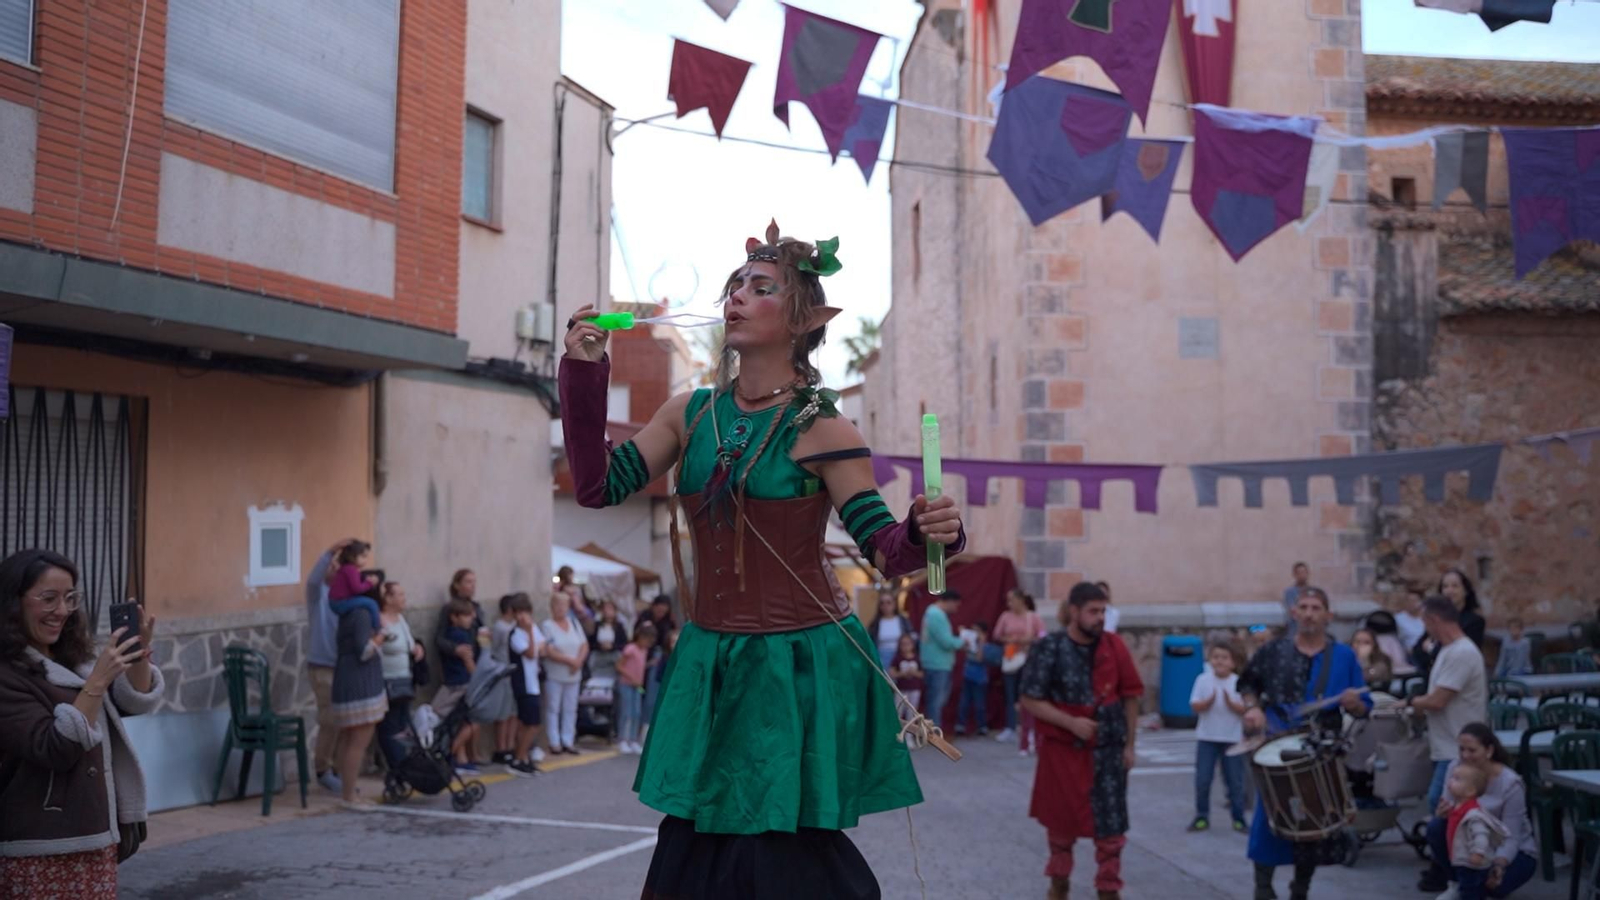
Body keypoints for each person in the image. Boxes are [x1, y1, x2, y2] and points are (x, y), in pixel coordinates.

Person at [559, 220, 966, 897]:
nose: (737, 297)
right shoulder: (689, 413)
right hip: (711, 658)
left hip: (796, 664)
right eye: (735, 286)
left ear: (806, 318)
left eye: (760, 287)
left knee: (778, 849)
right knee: (695, 843)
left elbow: (884, 549)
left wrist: (935, 531)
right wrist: (583, 372)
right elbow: (599, 486)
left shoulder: (824, 427)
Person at [0, 549, 162, 893]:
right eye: (48, 598)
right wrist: (98, 682)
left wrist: (138, 657)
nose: (61, 611)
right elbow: (55, 747)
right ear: (13, 602)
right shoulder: (7, 674)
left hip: (95, 839)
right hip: (39, 849)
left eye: (70, 598)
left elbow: (131, 701)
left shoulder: (74, 659)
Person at [1239, 586, 1371, 900]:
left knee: (1312, 823)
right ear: (1294, 613)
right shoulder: (1273, 651)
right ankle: (1262, 888)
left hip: (1319, 750)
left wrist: (1354, 704)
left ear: (1328, 615)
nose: (1309, 614)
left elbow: (1365, 706)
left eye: (1316, 608)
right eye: (1304, 607)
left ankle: (1301, 889)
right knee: (1268, 818)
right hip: (1276, 745)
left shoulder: (1343, 656)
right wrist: (1253, 707)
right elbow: (1248, 683)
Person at [1019, 581, 1143, 900]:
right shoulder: (1050, 647)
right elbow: (1030, 698)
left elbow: (1131, 696)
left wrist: (1130, 745)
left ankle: (1108, 889)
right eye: (1093, 611)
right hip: (1063, 753)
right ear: (1074, 611)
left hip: (1108, 753)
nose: (1100, 617)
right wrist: (1070, 722)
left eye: (1103, 611)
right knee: (1061, 828)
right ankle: (1059, 886)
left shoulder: (1114, 646)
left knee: (1111, 829)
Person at [1420, 724, 1540, 897]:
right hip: (1469, 842)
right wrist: (1443, 812)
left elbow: (1512, 836)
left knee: (1491, 883)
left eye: (1472, 750)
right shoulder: (1455, 768)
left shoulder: (1510, 783)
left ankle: (1472, 887)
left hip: (1508, 847)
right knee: (1436, 826)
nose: (1465, 756)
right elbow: (1449, 809)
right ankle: (1456, 883)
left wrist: (1499, 863)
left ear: (1489, 751)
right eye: (1461, 749)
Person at [1408, 596, 1490, 813]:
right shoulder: (1447, 650)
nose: (1425, 630)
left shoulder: (1462, 652)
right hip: (1444, 745)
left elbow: (1438, 700)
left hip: (1457, 748)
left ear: (1434, 620)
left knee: (1441, 804)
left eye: (1425, 623)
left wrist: (1412, 702)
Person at [331, 568, 389, 806]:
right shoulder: (362, 613)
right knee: (358, 740)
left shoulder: (351, 612)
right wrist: (380, 638)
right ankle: (349, 795)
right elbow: (364, 651)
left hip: (350, 678)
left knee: (349, 739)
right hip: (359, 682)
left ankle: (347, 789)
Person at [305, 539, 352, 793]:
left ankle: (339, 769)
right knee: (330, 718)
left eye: (338, 566)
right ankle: (323, 769)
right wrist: (330, 551)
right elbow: (313, 579)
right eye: (332, 566)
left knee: (346, 720)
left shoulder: (346, 597)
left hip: (342, 666)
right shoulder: (318, 595)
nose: (335, 569)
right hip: (322, 666)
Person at [1190, 641, 1248, 834]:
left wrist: (1232, 705)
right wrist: (1207, 703)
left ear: (1233, 662)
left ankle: (1238, 818)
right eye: (1216, 657)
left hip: (1232, 738)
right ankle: (1201, 816)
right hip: (1207, 737)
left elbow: (1246, 709)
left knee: (1235, 782)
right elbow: (1195, 706)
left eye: (1224, 658)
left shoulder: (1238, 681)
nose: (1220, 661)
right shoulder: (1202, 680)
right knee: (1203, 779)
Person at [1441, 763, 1509, 900]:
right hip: (1462, 859)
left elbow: (1481, 835)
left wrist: (1478, 852)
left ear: (1470, 791)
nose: (1450, 781)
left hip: (1470, 862)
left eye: (1457, 779)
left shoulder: (1474, 815)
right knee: (1468, 888)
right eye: (1452, 777)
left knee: (1470, 891)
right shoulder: (1457, 808)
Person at [375, 581, 424, 767]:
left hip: (404, 678)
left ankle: (405, 763)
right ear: (387, 598)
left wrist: (417, 649)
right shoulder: (380, 619)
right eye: (400, 594)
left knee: (404, 723)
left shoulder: (401, 619)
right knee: (390, 725)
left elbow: (409, 644)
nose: (404, 599)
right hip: (388, 680)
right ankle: (396, 765)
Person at [433, 597, 482, 772]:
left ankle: (459, 757)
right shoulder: (462, 636)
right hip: (461, 684)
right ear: (454, 617)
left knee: (457, 721)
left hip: (453, 680)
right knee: (473, 720)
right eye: (466, 616)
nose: (471, 619)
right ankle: (452, 751)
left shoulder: (449, 635)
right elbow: (468, 661)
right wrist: (478, 679)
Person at [540, 590, 589, 755]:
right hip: (556, 673)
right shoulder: (547, 626)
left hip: (574, 674)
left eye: (564, 605)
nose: (560, 608)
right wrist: (570, 661)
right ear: (552, 607)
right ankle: (554, 742)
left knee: (570, 708)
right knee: (553, 707)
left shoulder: (574, 623)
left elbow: (584, 644)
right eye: (557, 605)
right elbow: (549, 650)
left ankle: (568, 740)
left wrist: (579, 661)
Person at [995, 588, 1045, 745]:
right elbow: (997, 635)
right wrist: (1009, 639)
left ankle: (1028, 728)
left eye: (1012, 600)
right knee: (1010, 694)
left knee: (1027, 694)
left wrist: (1030, 640)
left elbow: (1043, 635)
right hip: (1011, 657)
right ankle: (1010, 727)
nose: (1010, 604)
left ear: (1021, 601)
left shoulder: (1033, 617)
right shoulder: (1005, 616)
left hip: (1028, 659)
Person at [506, 593, 546, 777]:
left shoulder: (534, 629)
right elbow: (531, 653)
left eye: (525, 612)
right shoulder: (516, 635)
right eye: (518, 613)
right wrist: (530, 632)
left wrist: (533, 634)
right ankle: (519, 757)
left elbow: (542, 647)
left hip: (534, 682)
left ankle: (523, 758)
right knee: (532, 723)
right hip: (523, 684)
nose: (523, 617)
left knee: (527, 723)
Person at [920, 590, 964, 727]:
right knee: (936, 701)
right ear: (949, 601)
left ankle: (931, 730)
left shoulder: (932, 613)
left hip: (937, 662)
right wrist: (963, 641)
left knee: (936, 700)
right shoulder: (936, 615)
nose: (956, 609)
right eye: (956, 605)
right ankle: (934, 733)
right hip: (937, 664)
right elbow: (945, 641)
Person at [486, 594, 520, 766]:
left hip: (514, 671)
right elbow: (494, 649)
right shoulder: (500, 627)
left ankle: (510, 744)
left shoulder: (516, 626)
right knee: (503, 713)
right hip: (503, 671)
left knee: (513, 711)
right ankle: (501, 747)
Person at [434, 568, 485, 677]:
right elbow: (440, 638)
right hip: (459, 668)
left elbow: (481, 631)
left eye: (474, 582)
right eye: (468, 582)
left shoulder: (477, 607)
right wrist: (455, 649)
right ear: (457, 585)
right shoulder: (450, 608)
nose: (473, 586)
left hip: (478, 659)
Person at [956, 621, 1002, 737]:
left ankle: (982, 726)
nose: (974, 634)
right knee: (964, 702)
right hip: (967, 676)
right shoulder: (971, 644)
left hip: (980, 679)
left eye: (977, 631)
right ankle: (960, 725)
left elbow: (979, 658)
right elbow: (963, 648)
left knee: (979, 704)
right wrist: (963, 634)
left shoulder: (987, 647)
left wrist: (981, 642)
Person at [616, 623, 656, 754]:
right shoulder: (630, 649)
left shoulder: (644, 651)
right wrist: (631, 677)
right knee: (626, 713)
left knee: (636, 713)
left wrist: (650, 664)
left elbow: (641, 665)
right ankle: (623, 739)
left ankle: (633, 740)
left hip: (637, 686)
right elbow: (619, 666)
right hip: (627, 684)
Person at [327, 540, 381, 630]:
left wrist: (366, 581)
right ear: (352, 556)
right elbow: (357, 589)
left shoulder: (348, 568)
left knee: (366, 602)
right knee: (372, 603)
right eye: (363, 556)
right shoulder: (351, 569)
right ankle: (378, 629)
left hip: (337, 602)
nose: (366, 560)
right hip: (340, 603)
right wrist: (370, 583)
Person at [1441, 568, 1488, 649]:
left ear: (1465, 591)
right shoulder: (1438, 619)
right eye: (1445, 586)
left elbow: (1462, 651)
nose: (1449, 591)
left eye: (1455, 586)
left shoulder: (1475, 622)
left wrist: (1430, 647)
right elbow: (1418, 651)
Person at [867, 590, 914, 669]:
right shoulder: (875, 624)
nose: (885, 606)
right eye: (882, 603)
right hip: (882, 658)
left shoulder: (903, 621)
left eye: (889, 602)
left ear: (894, 604)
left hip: (901, 658)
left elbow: (912, 637)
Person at [589, 598, 630, 677]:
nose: (607, 611)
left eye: (610, 609)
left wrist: (612, 646)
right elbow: (591, 642)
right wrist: (600, 646)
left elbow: (624, 643)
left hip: (613, 655)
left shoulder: (619, 627)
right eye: (604, 609)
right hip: (599, 655)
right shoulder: (597, 626)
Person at [890, 633, 924, 721]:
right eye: (903, 644)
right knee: (898, 711)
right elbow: (892, 673)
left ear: (912, 645)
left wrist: (914, 673)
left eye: (908, 644)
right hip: (901, 689)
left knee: (912, 712)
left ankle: (910, 734)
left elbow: (922, 674)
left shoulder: (917, 658)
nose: (905, 647)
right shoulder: (897, 658)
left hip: (914, 689)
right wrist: (902, 674)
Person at [1395, 589, 1429, 655]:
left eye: (1414, 601)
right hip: (1409, 653)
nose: (1411, 604)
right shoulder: (1398, 619)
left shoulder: (1427, 618)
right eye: (1408, 601)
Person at [1282, 562, 1310, 636]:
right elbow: (1293, 611)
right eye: (1299, 573)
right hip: (1294, 630)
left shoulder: (1312, 591)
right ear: (1294, 575)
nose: (1302, 575)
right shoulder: (1290, 592)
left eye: (1304, 572)